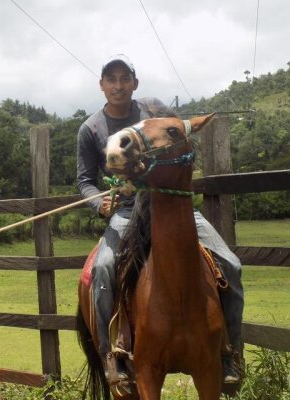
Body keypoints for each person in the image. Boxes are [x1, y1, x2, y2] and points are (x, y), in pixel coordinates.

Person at [76, 54, 244, 385]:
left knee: (231, 264)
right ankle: (112, 356)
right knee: (102, 269)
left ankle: (229, 352)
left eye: (125, 78)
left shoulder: (152, 109)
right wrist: (99, 203)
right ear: (101, 85)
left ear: (135, 83)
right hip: (125, 212)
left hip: (172, 206)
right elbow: (84, 181)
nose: (118, 85)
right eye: (111, 79)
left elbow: (177, 141)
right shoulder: (90, 128)